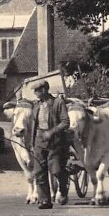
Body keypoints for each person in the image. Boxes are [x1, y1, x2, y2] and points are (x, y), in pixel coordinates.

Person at [30, 79, 71, 209]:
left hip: (56, 142)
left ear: (44, 90)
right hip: (39, 142)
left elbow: (65, 122)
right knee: (39, 172)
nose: (35, 93)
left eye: (36, 90)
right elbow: (33, 125)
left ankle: (63, 189)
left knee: (56, 170)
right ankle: (45, 200)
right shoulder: (36, 105)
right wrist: (32, 143)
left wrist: (51, 132)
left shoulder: (58, 103)